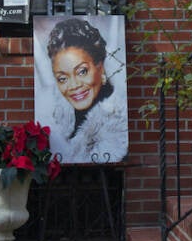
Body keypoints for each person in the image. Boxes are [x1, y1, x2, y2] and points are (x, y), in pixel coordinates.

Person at [43, 17, 128, 163]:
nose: (74, 85)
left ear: (100, 67)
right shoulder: (55, 121)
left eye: (82, 71)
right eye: (62, 78)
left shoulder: (117, 129)